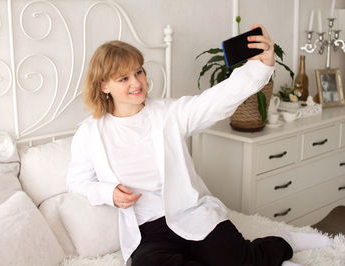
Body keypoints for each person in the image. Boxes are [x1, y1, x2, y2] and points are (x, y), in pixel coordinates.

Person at [66, 24, 331, 266]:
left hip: (191, 212)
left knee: (242, 259)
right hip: (146, 229)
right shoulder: (90, 133)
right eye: (123, 79)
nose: (136, 82)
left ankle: (285, 242)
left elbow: (216, 100)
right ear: (103, 86)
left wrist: (260, 67)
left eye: (139, 72)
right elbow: (77, 182)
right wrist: (108, 193)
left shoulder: (168, 113)